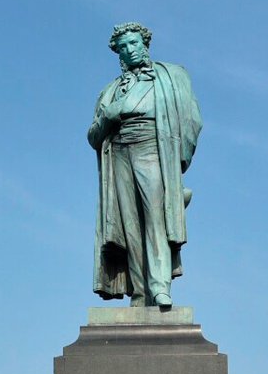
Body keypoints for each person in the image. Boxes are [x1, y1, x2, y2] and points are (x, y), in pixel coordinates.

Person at [87, 21, 202, 307]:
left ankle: (160, 286)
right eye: (123, 47)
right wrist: (107, 118)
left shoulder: (171, 76)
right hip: (120, 155)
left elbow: (192, 120)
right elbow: (92, 136)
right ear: (118, 54)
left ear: (145, 44)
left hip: (153, 148)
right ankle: (140, 293)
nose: (129, 50)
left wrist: (177, 166)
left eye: (133, 44)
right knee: (130, 227)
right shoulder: (110, 92)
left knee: (156, 219)